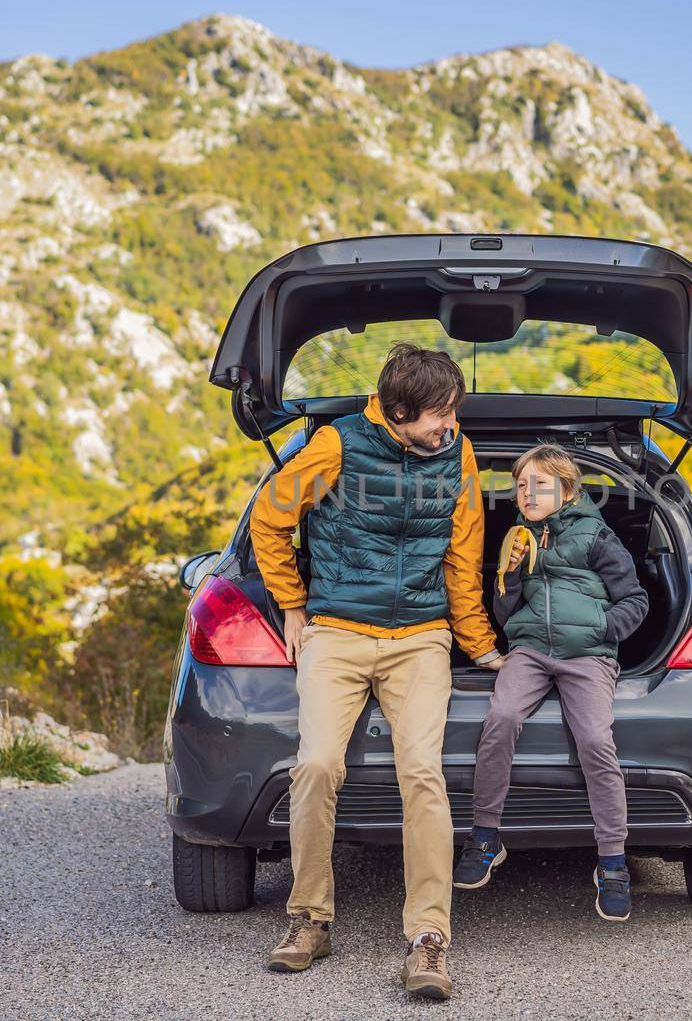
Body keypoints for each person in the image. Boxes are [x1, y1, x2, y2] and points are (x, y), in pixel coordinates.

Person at [249, 342, 500, 1000]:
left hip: (420, 637)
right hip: (337, 629)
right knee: (317, 766)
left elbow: (462, 559)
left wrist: (480, 645)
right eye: (439, 415)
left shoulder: (461, 454)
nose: (449, 426)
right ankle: (309, 919)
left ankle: (429, 940)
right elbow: (270, 518)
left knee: (422, 772)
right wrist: (295, 606)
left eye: (454, 412)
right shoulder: (336, 446)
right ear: (397, 411)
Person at [453, 444, 649, 921]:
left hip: (588, 656)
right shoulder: (516, 538)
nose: (527, 492)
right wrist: (512, 576)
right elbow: (504, 613)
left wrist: (602, 629)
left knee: (596, 742)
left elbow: (636, 599)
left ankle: (613, 862)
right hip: (531, 651)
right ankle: (485, 837)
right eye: (521, 485)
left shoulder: (596, 536)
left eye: (539, 484)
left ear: (566, 490)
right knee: (499, 719)